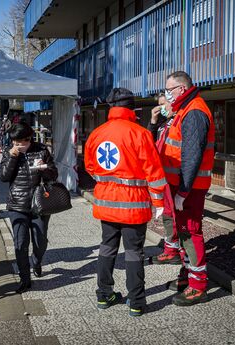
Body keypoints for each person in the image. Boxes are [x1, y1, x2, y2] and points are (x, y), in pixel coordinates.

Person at [84, 88, 167, 317]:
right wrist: (159, 201)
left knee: (107, 248)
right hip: (134, 206)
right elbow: (154, 172)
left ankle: (104, 295)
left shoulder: (97, 133)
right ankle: (136, 302)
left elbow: (90, 167)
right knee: (133, 253)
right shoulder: (140, 134)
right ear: (132, 108)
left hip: (106, 204)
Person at [161, 71, 215, 306]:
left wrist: (182, 192)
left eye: (169, 90)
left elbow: (191, 156)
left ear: (181, 89)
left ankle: (198, 286)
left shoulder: (194, 111)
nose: (167, 95)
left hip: (189, 187)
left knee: (190, 233)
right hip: (182, 185)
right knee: (184, 233)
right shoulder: (185, 108)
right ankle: (187, 276)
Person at [0, 122, 58, 294]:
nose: (17, 145)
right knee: (20, 243)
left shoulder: (41, 150)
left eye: (20, 142)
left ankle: (37, 260)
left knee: (40, 241)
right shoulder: (9, 151)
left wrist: (44, 168)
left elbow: (54, 175)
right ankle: (25, 279)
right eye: (15, 142)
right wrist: (12, 156)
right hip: (17, 204)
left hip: (39, 203)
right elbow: (3, 177)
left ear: (29, 139)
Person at [147, 94, 181, 265]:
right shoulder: (162, 122)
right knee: (167, 214)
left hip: (177, 178)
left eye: (163, 104)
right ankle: (171, 249)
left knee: (175, 215)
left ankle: (177, 252)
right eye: (158, 105)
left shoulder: (180, 120)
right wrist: (153, 121)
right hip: (164, 177)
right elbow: (149, 141)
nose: (161, 108)